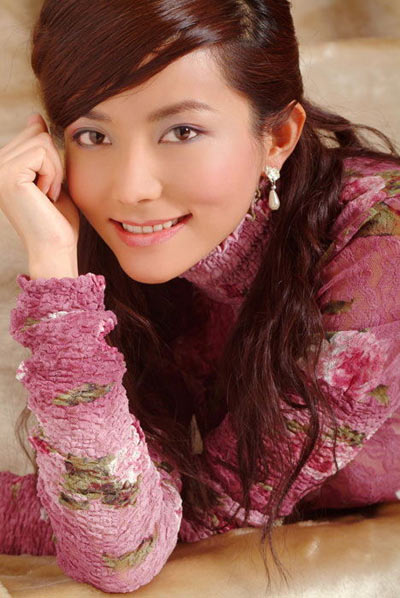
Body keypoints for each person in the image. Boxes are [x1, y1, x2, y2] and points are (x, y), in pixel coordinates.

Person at [0, 0, 400, 594]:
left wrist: (60, 301)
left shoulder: (379, 246)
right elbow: (123, 522)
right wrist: (58, 265)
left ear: (278, 136)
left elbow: (143, 541)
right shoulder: (136, 255)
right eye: (93, 134)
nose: (131, 188)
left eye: (182, 131)